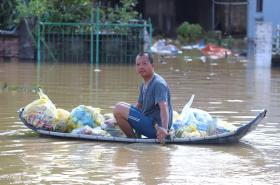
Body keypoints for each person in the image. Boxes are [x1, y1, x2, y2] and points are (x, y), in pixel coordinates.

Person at [105, 52, 173, 143]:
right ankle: (135, 137)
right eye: (138, 64)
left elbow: (164, 107)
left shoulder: (158, 83)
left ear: (152, 66)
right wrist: (115, 119)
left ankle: (132, 140)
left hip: (157, 128)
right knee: (120, 106)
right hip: (148, 121)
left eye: (144, 64)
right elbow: (138, 106)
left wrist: (164, 129)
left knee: (119, 108)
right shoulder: (144, 84)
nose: (141, 67)